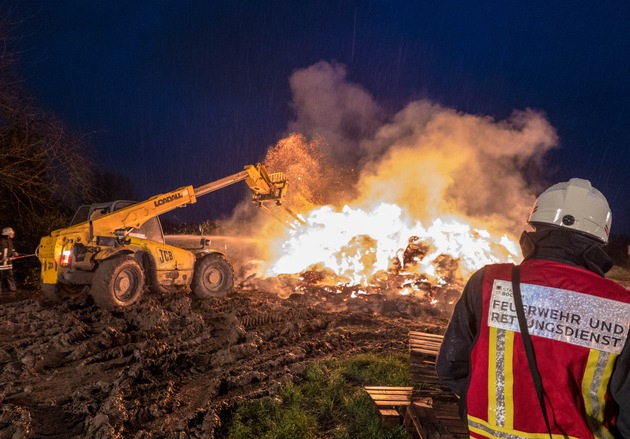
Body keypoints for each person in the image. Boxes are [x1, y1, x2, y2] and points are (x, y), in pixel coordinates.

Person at [436, 178, 630, 438]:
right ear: (599, 239)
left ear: (536, 228)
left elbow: (450, 366)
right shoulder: (622, 307)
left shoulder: (488, 282)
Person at [0, 227, 19, 293]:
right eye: (11, 233)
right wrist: (2, 257)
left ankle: (13, 288)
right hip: (1, 262)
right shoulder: (1, 241)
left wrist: (14, 253)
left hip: (8, 261)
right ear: (7, 234)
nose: (13, 234)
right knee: (0, 276)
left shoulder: (10, 241)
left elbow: (12, 249)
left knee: (10, 275)